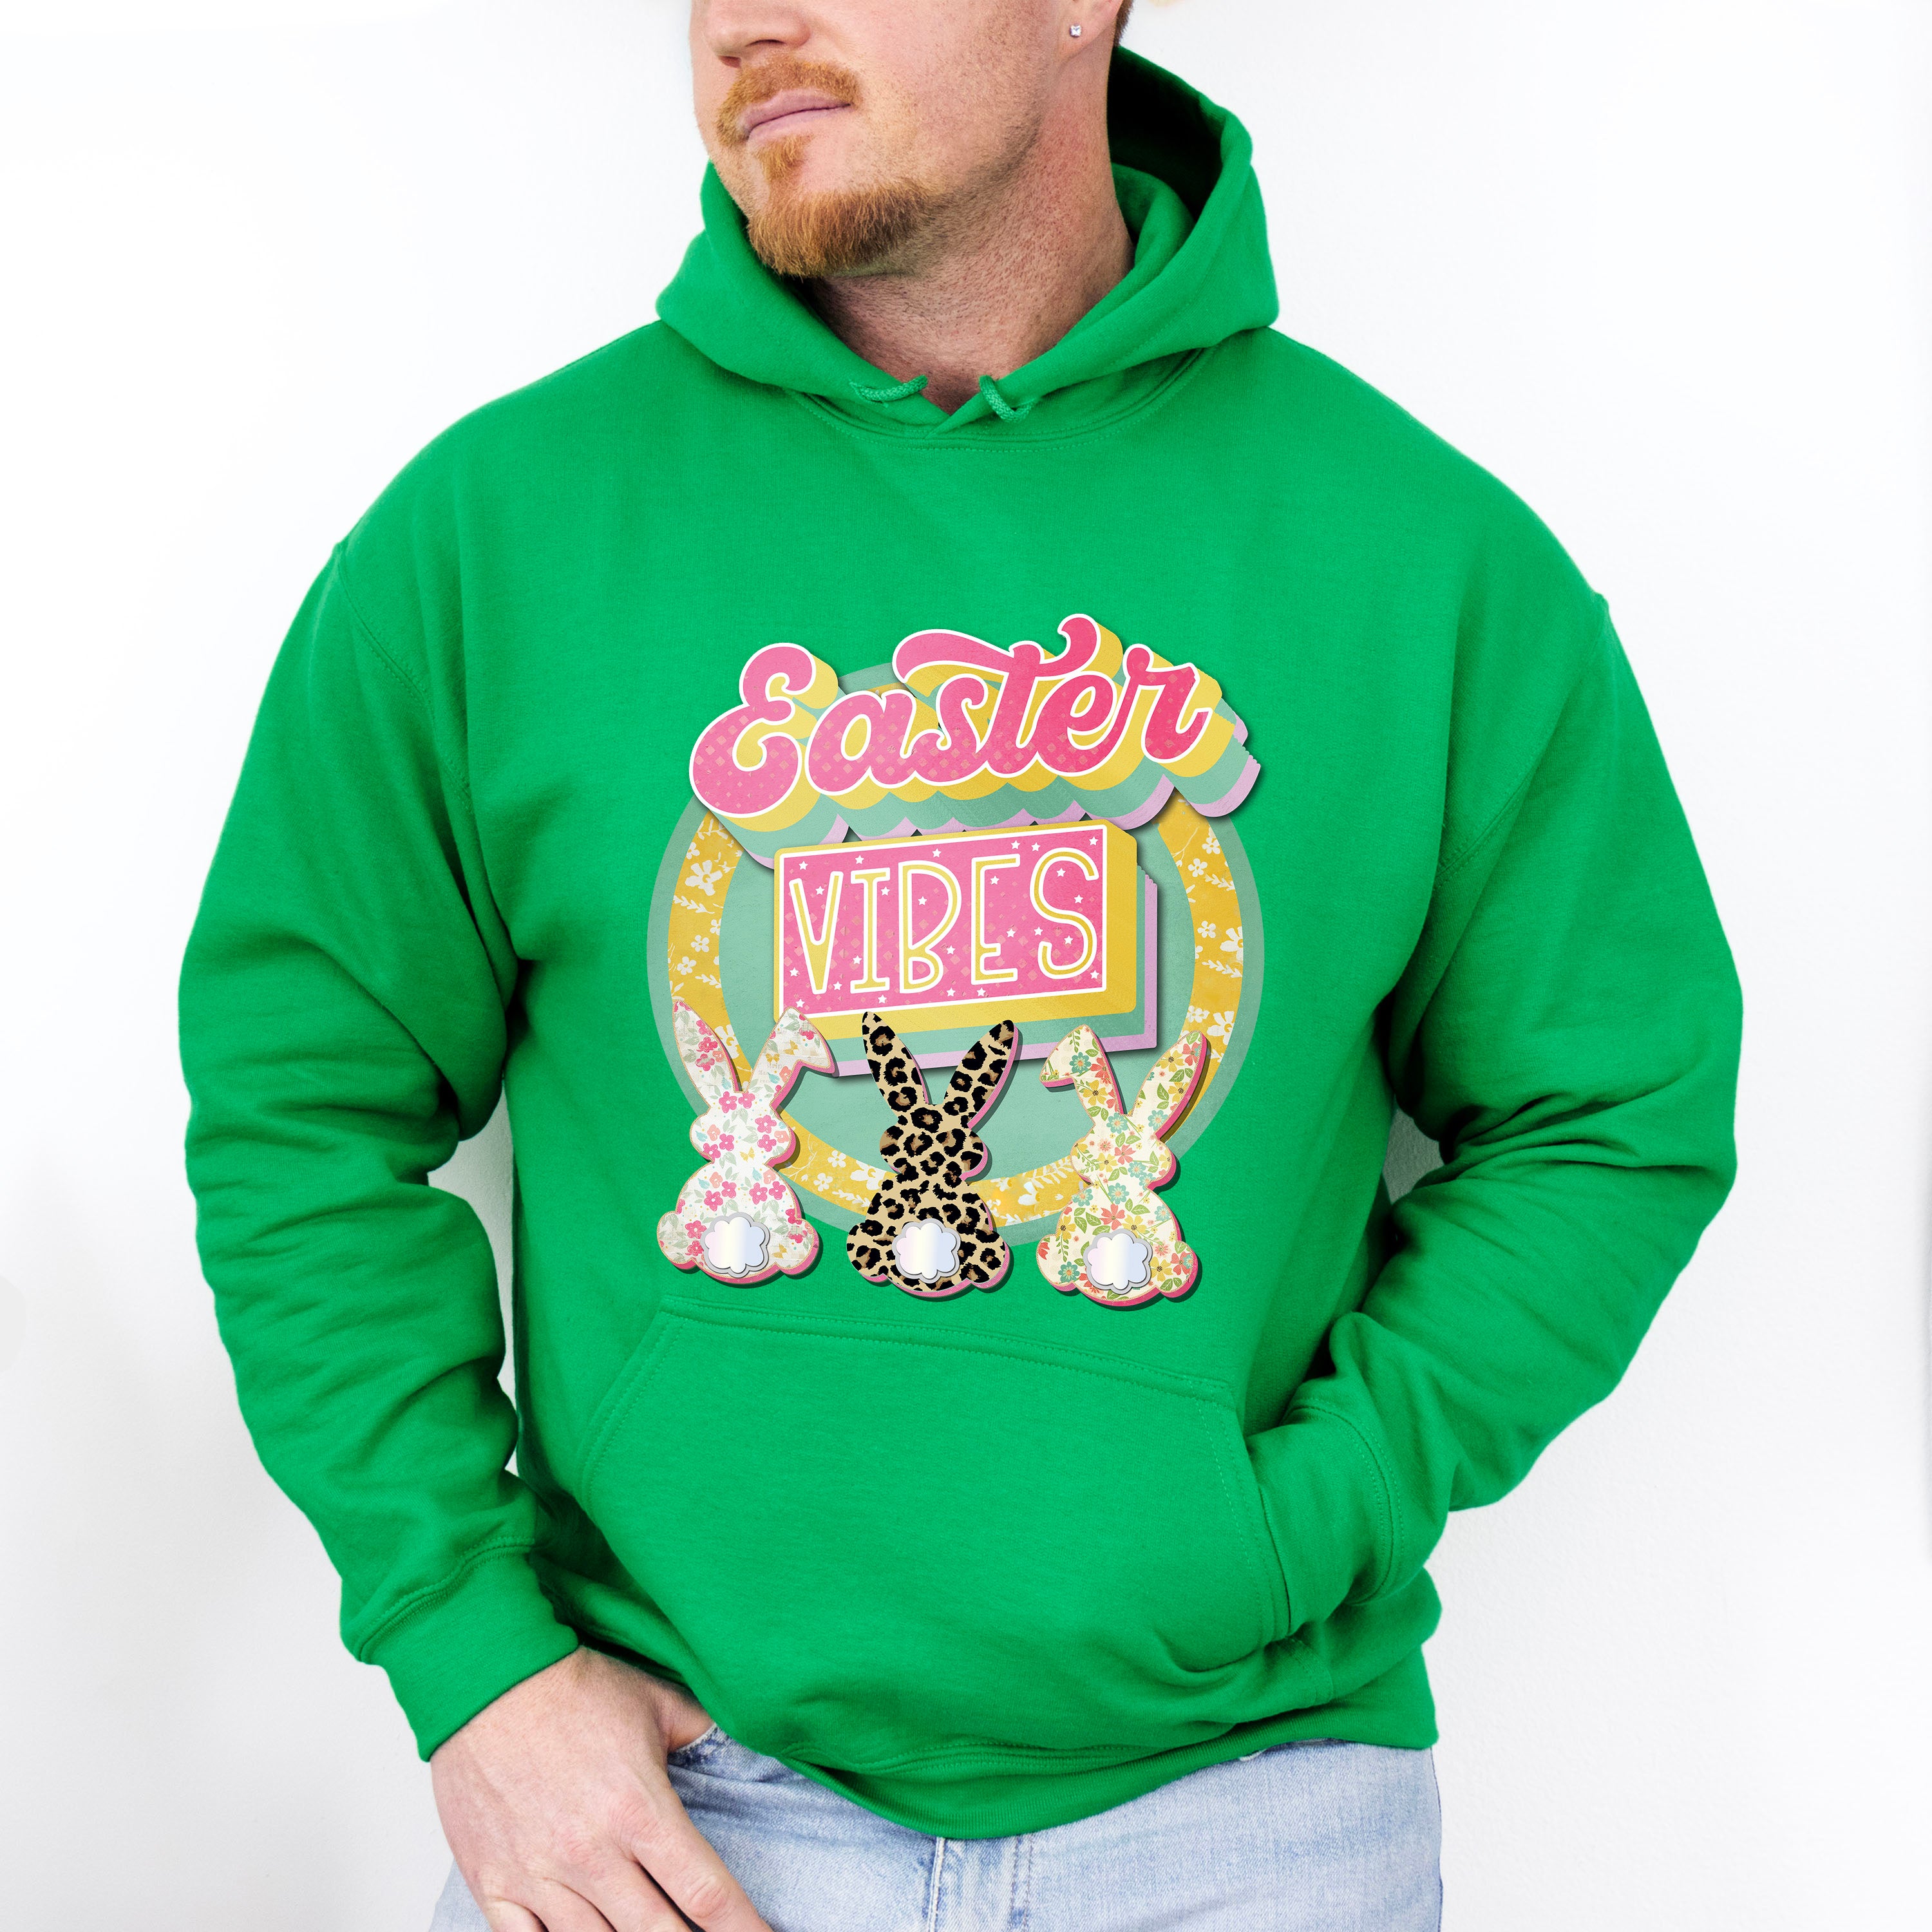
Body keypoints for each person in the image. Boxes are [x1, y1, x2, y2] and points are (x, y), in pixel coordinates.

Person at [179, 2, 1742, 1927]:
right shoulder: (494, 538)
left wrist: (1295, 1520)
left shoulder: (1423, 560)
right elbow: (301, 1108)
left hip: (1247, 1819)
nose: (746, 21)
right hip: (669, 1805)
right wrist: (470, 1656)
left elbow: (1614, 1109)